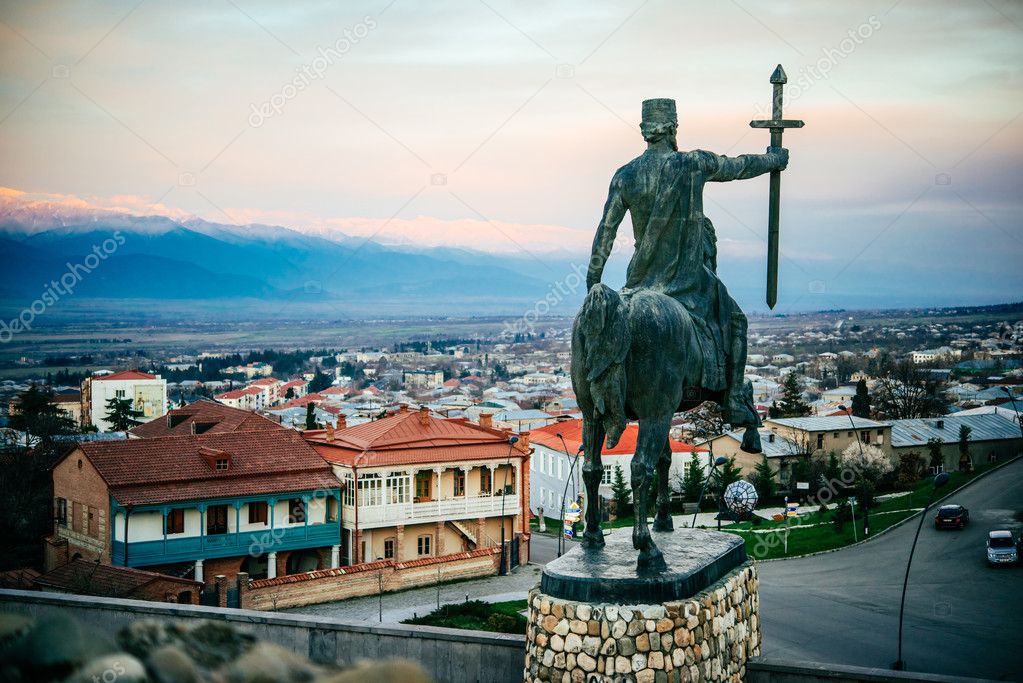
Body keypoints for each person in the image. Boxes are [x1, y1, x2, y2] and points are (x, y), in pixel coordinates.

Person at [586, 98, 787, 448]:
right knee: (737, 320)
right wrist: (774, 159)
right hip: (689, 278)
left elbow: (605, 232)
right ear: (674, 128)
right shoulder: (692, 163)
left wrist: (594, 284)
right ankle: (735, 398)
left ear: (644, 130)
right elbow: (738, 166)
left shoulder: (625, 175)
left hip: (640, 282)